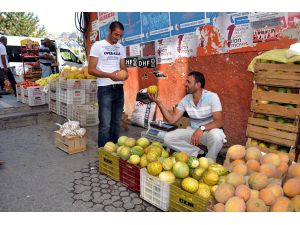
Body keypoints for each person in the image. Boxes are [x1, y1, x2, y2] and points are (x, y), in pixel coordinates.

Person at [148, 71, 226, 161]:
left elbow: (219, 121)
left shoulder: (212, 97)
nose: (185, 84)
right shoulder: (186, 99)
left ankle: (210, 160)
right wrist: (159, 103)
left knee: (217, 136)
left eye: (188, 82)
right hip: (192, 132)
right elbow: (172, 120)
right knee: (168, 138)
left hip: (209, 132)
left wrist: (201, 128)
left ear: (198, 85)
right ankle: (198, 154)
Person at [88, 21, 128, 147]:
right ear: (109, 31)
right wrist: (110, 75)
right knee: (105, 123)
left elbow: (123, 68)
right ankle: (103, 152)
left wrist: (124, 74)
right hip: (105, 88)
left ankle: (113, 150)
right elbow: (91, 70)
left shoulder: (120, 48)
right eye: (116, 34)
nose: (118, 38)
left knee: (116, 121)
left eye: (120, 35)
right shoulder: (98, 45)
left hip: (119, 88)